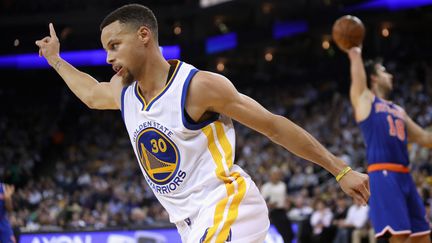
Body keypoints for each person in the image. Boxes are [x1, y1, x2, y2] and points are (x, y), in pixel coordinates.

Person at [35, 4, 369, 242]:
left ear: (143, 35)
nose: (108, 58)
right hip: (188, 224)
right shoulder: (124, 92)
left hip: (227, 204)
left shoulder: (197, 87)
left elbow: (273, 126)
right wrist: (55, 61)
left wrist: (340, 170)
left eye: (114, 45)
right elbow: (92, 94)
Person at [346, 46, 431, 243]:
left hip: (405, 175)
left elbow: (425, 139)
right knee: (398, 236)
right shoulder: (366, 101)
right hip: (383, 175)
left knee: (422, 236)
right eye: (384, 71)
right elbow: (358, 82)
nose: (390, 75)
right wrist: (354, 51)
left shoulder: (398, 110)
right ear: (374, 78)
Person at [261, 167, 293, 243]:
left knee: (290, 234)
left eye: (278, 174)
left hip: (283, 210)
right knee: (284, 233)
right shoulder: (266, 187)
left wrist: (288, 202)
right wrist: (269, 204)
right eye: (275, 174)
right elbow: (262, 201)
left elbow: (285, 197)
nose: (277, 176)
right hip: (273, 212)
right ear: (270, 175)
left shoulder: (283, 185)